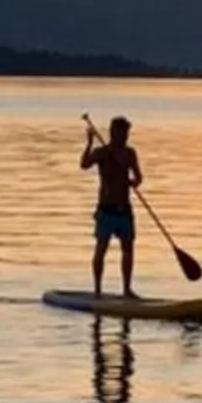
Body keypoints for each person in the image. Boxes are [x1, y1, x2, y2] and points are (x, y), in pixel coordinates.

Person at [80, 113, 143, 296]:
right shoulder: (102, 153)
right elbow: (84, 165)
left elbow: (139, 177)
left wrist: (133, 182)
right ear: (113, 133)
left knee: (128, 249)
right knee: (101, 248)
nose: (125, 137)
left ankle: (126, 290)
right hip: (106, 209)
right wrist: (89, 144)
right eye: (122, 133)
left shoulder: (130, 154)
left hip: (124, 209)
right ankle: (97, 290)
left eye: (126, 134)